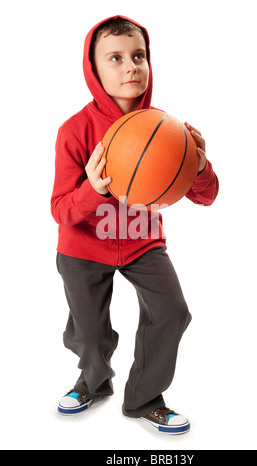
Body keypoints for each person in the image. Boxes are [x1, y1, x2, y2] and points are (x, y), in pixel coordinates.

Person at [51, 15, 219, 435]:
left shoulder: (167, 129)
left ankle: (145, 397)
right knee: (89, 335)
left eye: (138, 55)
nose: (131, 67)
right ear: (93, 69)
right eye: (116, 57)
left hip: (143, 243)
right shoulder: (74, 132)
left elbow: (207, 195)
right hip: (83, 247)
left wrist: (197, 165)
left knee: (173, 312)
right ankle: (93, 381)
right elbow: (61, 211)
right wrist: (93, 188)